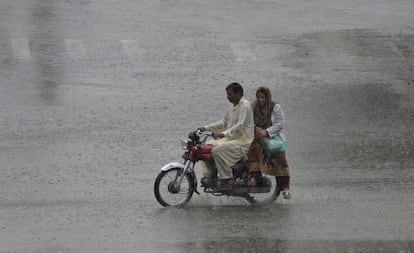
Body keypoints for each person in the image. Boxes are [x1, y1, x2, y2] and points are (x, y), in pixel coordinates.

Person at [198, 82, 254, 190]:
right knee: (204, 148)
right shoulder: (232, 105)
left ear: (238, 94)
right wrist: (205, 128)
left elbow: (240, 125)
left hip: (242, 142)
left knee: (216, 151)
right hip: (230, 139)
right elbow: (224, 122)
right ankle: (211, 175)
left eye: (230, 94)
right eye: (227, 94)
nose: (228, 97)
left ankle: (227, 178)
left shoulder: (245, 106)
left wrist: (223, 134)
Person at [247, 86, 291, 199]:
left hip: (274, 137)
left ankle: (286, 187)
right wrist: (256, 128)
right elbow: (248, 121)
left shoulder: (275, 107)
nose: (260, 100)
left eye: (263, 97)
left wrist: (266, 132)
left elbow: (280, 124)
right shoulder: (253, 106)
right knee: (254, 148)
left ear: (268, 97)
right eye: (258, 97)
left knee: (281, 157)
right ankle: (255, 176)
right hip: (258, 136)